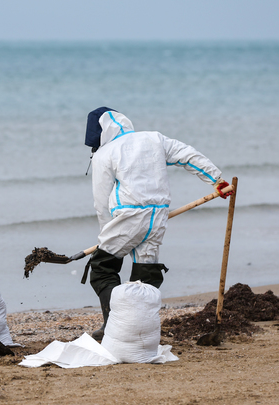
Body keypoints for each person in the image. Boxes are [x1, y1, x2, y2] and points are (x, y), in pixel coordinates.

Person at [83, 107, 233, 341]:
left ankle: (113, 324)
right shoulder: (153, 138)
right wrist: (217, 180)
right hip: (158, 216)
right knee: (145, 275)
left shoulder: (105, 154)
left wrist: (105, 234)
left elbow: (101, 202)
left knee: (103, 268)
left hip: (127, 218)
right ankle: (139, 328)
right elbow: (187, 155)